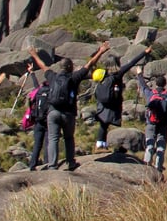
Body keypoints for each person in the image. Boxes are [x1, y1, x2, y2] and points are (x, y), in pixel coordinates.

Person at [29, 42, 109, 171]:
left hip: (53, 112)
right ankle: (70, 162)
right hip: (68, 114)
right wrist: (101, 51)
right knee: (68, 138)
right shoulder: (74, 77)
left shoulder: (52, 76)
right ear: (70, 67)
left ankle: (52, 165)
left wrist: (34, 55)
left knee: (53, 138)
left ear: (60, 67)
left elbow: (43, 66)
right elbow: (89, 65)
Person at [92, 46, 152, 153]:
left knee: (103, 124)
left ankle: (100, 144)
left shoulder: (103, 74)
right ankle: (101, 145)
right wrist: (144, 52)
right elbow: (131, 63)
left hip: (102, 104)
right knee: (104, 125)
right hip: (112, 104)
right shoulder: (118, 74)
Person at [24, 62, 49, 170]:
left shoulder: (38, 91)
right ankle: (48, 164)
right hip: (48, 121)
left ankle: (32, 165)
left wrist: (32, 72)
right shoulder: (52, 91)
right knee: (48, 144)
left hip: (38, 120)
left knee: (37, 144)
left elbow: (35, 85)